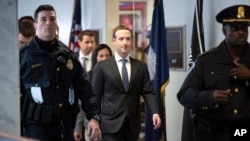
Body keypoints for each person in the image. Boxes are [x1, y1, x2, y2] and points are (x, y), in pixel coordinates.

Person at [19, 4, 101, 141]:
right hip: (36, 127)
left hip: (65, 126)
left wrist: (93, 117)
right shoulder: (24, 56)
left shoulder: (68, 55)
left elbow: (85, 89)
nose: (48, 23)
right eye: (43, 19)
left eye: (52, 19)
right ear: (35, 25)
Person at [177, 5, 250, 141]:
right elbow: (184, 95)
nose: (241, 33)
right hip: (214, 133)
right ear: (224, 31)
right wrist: (210, 97)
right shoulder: (206, 60)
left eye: (245, 28)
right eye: (235, 29)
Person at [91, 25, 161, 141]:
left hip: (132, 125)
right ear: (114, 41)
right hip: (110, 125)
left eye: (128, 39)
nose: (125, 42)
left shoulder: (141, 66)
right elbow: (95, 98)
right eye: (121, 39)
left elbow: (148, 92)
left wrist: (155, 112)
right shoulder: (102, 67)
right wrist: (94, 120)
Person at [74, 43, 113, 141]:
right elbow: (83, 104)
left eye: (107, 56)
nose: (104, 59)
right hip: (91, 125)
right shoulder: (88, 76)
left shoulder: (116, 78)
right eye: (101, 56)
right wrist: (78, 128)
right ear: (95, 58)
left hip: (112, 124)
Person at [73, 30, 98, 141]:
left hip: (92, 108)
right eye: (87, 42)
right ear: (79, 42)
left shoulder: (98, 60)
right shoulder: (72, 59)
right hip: (75, 110)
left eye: (92, 42)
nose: (90, 45)